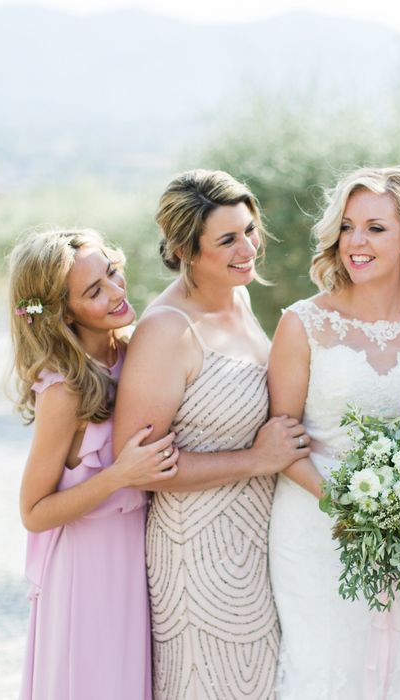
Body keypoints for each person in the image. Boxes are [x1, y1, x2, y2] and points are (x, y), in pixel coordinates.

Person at [267, 166, 400, 698]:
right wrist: (344, 505)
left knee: (398, 661)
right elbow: (280, 444)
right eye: (348, 226)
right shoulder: (303, 323)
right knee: (323, 666)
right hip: (315, 525)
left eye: (375, 228)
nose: (356, 242)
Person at [112, 169, 308, 700]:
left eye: (249, 230)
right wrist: (255, 460)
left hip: (260, 539)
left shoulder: (239, 300)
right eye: (227, 239)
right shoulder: (167, 330)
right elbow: (141, 468)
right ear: (184, 250)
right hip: (198, 551)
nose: (248, 248)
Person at [11, 228, 179, 700]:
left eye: (112, 273)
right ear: (63, 310)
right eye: (94, 291)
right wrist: (120, 475)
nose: (116, 292)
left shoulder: (135, 354)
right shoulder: (65, 390)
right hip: (86, 569)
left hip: (137, 557)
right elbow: (34, 510)